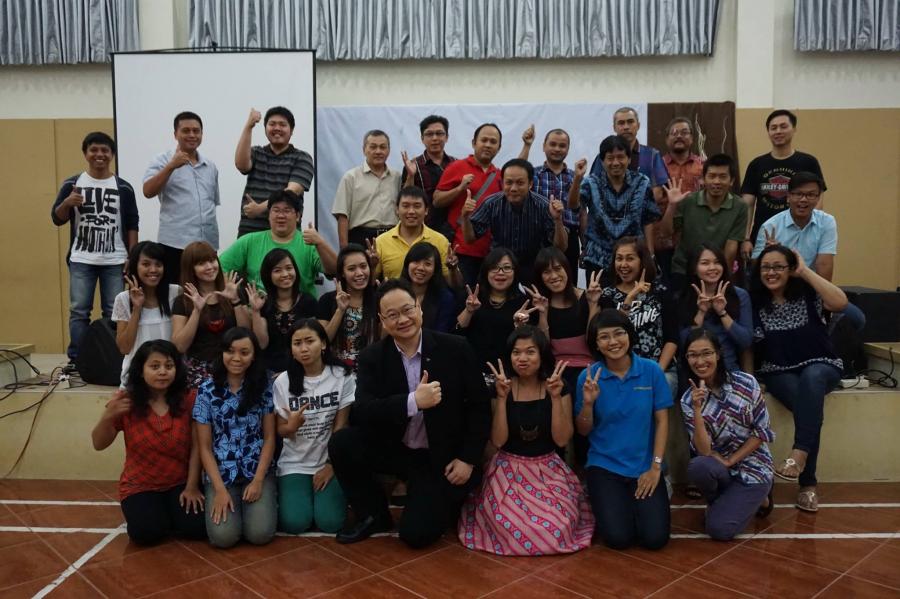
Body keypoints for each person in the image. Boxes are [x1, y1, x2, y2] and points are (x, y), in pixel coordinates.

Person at [328, 278, 491, 547]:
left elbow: (480, 407)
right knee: (343, 443)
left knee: (416, 535)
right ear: (382, 320)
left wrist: (468, 458)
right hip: (397, 447)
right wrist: (413, 401)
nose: (402, 320)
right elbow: (364, 410)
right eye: (392, 315)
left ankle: (439, 499)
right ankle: (373, 514)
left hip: (439, 456)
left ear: (419, 308)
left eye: (407, 310)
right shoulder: (372, 357)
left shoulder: (456, 348)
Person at [459, 326, 594, 555]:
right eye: (516, 352)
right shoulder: (500, 387)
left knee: (556, 529)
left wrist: (555, 398)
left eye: (530, 352)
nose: (522, 358)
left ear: (542, 355)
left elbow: (562, 439)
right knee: (510, 526)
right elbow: (498, 440)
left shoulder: (558, 386)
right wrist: (502, 399)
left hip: (548, 470)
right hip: (507, 470)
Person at [751, 244, 847, 512]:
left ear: (790, 269)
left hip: (822, 364)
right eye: (766, 267)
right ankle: (808, 486)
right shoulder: (755, 301)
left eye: (778, 267)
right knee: (809, 407)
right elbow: (748, 345)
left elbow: (841, 303)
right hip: (778, 371)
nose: (771, 272)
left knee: (812, 378)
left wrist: (805, 271)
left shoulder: (807, 292)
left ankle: (799, 455)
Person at [91, 339, 206, 545]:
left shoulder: (189, 399)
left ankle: (170, 513)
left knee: (197, 529)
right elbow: (98, 444)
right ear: (141, 371)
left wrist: (192, 487)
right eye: (155, 366)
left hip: (180, 482)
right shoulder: (126, 400)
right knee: (146, 534)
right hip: (140, 485)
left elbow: (198, 447)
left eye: (169, 366)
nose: (162, 372)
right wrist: (108, 416)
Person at [575, 309, 671, 550]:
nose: (613, 342)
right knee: (619, 539)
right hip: (604, 466)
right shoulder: (588, 377)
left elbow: (662, 421)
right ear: (596, 343)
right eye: (604, 337)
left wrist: (655, 467)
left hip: (644, 466)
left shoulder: (651, 371)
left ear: (629, 335)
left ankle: (657, 489)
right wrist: (588, 403)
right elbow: (583, 431)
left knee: (655, 539)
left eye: (619, 333)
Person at [51, 131, 138, 366]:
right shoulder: (72, 184)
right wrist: (67, 203)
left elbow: (132, 223)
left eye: (105, 150)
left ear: (112, 154)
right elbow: (57, 218)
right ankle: (78, 360)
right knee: (79, 312)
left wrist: (132, 256)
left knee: (114, 311)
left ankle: (111, 359)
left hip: (115, 259)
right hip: (81, 258)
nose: (99, 154)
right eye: (94, 150)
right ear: (86, 153)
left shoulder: (124, 187)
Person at [680, 328, 775, 540]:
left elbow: (761, 431)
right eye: (693, 355)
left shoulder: (746, 383)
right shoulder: (688, 400)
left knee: (719, 530)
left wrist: (732, 460)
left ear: (718, 354)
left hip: (753, 465)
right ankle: (726, 501)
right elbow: (704, 451)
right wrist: (697, 409)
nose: (700, 361)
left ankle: (762, 497)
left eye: (706, 353)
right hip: (720, 466)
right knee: (699, 466)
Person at [194, 327, 277, 548]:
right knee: (223, 538)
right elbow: (204, 447)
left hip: (256, 469)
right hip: (221, 472)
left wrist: (258, 481)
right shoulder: (206, 390)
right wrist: (219, 490)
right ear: (222, 353)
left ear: (253, 356)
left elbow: (269, 438)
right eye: (230, 351)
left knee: (260, 534)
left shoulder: (264, 388)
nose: (236, 358)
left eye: (244, 352)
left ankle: (263, 499)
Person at [531, 247, 610, 466]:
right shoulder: (540, 303)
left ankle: (586, 466)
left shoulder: (586, 297)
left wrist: (593, 304)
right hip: (557, 368)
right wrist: (543, 314)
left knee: (582, 388)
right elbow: (544, 348)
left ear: (567, 269)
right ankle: (556, 465)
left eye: (558, 269)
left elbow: (594, 341)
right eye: (547, 272)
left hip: (589, 367)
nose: (554, 276)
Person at [273, 319, 354, 534]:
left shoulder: (342, 376)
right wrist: (291, 426)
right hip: (294, 462)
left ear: (323, 343)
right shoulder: (282, 382)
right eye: (297, 343)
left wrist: (331, 465)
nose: (304, 348)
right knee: (295, 523)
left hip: (329, 460)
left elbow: (342, 425)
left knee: (331, 523)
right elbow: (280, 430)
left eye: (310, 341)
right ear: (291, 349)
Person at [461, 158, 568, 285]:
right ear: (502, 183)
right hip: (499, 266)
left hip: (532, 267)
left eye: (520, 183)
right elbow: (469, 239)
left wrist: (558, 220)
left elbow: (561, 248)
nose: (513, 188)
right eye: (509, 182)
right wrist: (465, 217)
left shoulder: (543, 205)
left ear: (530, 184)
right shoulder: (491, 204)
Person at [569, 135, 660, 282]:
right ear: (602, 161)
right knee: (596, 296)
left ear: (629, 159)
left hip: (632, 258)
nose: (616, 162)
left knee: (633, 296)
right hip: (597, 258)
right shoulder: (591, 182)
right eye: (610, 158)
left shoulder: (642, 182)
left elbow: (648, 219)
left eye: (621, 157)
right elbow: (574, 205)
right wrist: (577, 178)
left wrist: (650, 254)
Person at [143, 111, 220, 282]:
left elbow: (212, 203)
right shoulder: (163, 160)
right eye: (186, 131)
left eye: (196, 131)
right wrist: (171, 166)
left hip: (207, 245)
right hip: (175, 244)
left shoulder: (210, 166)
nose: (192, 135)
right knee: (175, 292)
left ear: (202, 134)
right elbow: (148, 191)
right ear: (175, 134)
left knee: (205, 292)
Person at [740, 109, 826, 261]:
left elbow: (818, 201)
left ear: (794, 129)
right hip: (764, 237)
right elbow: (747, 204)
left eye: (783, 126)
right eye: (773, 128)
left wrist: (809, 232)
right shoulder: (756, 164)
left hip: (800, 236)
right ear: (768, 132)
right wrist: (746, 238)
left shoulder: (808, 162)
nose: (778, 131)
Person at [219, 189, 336, 296]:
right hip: (259, 308)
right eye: (276, 210)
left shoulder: (309, 242)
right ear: (269, 215)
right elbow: (219, 268)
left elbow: (335, 270)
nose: (281, 215)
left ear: (297, 216)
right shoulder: (249, 241)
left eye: (287, 211)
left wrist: (321, 243)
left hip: (302, 309)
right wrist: (236, 297)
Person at [659, 154, 748, 291]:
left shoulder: (740, 206)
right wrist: (672, 206)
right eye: (711, 176)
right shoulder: (687, 201)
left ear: (731, 181)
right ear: (703, 179)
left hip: (715, 272)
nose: (716, 181)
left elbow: (731, 247)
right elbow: (665, 233)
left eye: (723, 177)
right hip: (684, 269)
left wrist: (724, 277)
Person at [600, 237, 678, 391]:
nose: (623, 265)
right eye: (619, 259)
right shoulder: (607, 295)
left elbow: (672, 338)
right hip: (621, 372)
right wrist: (630, 298)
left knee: (663, 384)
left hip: (660, 369)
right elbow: (612, 331)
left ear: (642, 261)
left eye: (630, 258)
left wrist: (657, 372)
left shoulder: (660, 291)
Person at [172, 242, 250, 387]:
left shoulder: (233, 291)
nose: (209, 267)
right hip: (198, 370)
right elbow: (179, 346)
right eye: (201, 263)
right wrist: (196, 311)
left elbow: (247, 332)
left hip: (233, 365)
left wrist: (235, 301)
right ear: (191, 268)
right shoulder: (183, 301)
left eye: (212, 260)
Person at [433, 123, 503, 285]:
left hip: (491, 252)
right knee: (462, 294)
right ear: (473, 143)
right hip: (461, 250)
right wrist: (460, 189)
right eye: (484, 140)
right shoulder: (457, 167)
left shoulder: (500, 175)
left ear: (499, 148)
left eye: (493, 142)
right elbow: (436, 201)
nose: (488, 145)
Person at [455, 248, 532, 385]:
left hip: (509, 376)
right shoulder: (472, 296)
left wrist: (520, 326)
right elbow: (456, 334)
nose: (500, 273)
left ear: (515, 272)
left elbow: (529, 344)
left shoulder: (523, 302)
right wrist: (469, 310)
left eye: (506, 268)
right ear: (486, 271)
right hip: (472, 372)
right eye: (494, 268)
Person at [234, 106, 315, 237]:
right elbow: (241, 165)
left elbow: (291, 191)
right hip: (250, 232)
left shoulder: (302, 158)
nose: (277, 128)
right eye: (272, 124)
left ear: (292, 130)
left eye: (282, 125)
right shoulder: (256, 153)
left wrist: (259, 209)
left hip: (285, 233)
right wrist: (249, 126)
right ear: (265, 128)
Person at [113, 241, 181, 387]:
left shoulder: (176, 292)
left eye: (158, 264)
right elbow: (124, 348)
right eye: (146, 264)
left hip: (169, 378)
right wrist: (137, 308)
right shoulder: (123, 299)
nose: (153, 270)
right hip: (136, 380)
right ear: (135, 266)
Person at [678, 244, 753, 373]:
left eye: (717, 262)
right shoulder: (683, 297)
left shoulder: (739, 295)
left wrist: (722, 313)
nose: (712, 267)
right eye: (705, 263)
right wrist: (701, 312)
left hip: (729, 370)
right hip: (695, 371)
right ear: (694, 269)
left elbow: (746, 341)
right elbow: (683, 343)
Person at [519, 127, 583, 271]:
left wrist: (584, 244)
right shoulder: (533, 174)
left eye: (562, 145)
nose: (557, 149)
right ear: (543, 146)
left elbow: (580, 210)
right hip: (537, 235)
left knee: (567, 280)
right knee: (536, 279)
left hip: (569, 236)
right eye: (552, 144)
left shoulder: (576, 176)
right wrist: (527, 145)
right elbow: (517, 171)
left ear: (568, 149)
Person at [248, 249, 318, 376]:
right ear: (268, 275)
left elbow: (314, 343)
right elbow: (261, 344)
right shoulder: (263, 304)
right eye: (277, 270)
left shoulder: (308, 302)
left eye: (289, 268)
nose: (285, 274)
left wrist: (288, 374)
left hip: (302, 371)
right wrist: (255, 311)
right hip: (270, 373)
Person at [371, 186, 458, 285]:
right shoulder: (381, 241)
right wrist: (372, 266)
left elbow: (453, 285)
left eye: (417, 206)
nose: (411, 211)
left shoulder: (440, 241)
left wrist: (453, 269)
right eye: (405, 206)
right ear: (397, 209)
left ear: (426, 210)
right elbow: (370, 284)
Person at [332, 129, 402, 248]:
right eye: (373, 147)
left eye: (383, 147)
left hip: (392, 238)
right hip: (361, 238)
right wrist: (344, 249)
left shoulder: (397, 177)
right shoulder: (351, 177)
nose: (378, 151)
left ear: (389, 150)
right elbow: (342, 215)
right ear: (364, 149)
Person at [316, 244, 380, 370]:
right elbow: (322, 342)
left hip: (371, 371)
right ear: (342, 273)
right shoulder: (327, 300)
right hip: (337, 372)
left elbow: (383, 341)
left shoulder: (378, 300)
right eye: (351, 269)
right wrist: (340, 310)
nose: (359, 273)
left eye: (363, 266)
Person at [589, 107, 669, 202]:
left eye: (630, 122)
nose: (626, 127)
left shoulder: (652, 155)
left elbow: (658, 194)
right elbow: (593, 190)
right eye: (621, 123)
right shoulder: (603, 156)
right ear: (614, 128)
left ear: (638, 125)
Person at [399, 115, 457, 228]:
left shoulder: (456, 164)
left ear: (447, 137)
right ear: (422, 138)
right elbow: (405, 198)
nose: (435, 138)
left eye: (439, 133)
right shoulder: (413, 165)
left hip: (453, 228)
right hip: (424, 228)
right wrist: (411, 176)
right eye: (429, 134)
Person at [400, 242, 458, 333]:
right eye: (416, 262)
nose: (421, 268)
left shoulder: (445, 298)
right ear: (407, 265)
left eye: (427, 264)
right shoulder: (395, 292)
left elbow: (441, 333)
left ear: (435, 269)